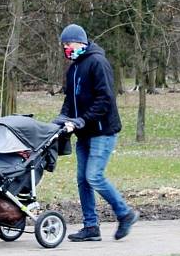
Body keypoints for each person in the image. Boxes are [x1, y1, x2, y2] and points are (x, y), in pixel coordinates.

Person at [55, 23, 139, 241]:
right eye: (63, 45)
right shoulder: (73, 69)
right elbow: (69, 100)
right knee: (83, 180)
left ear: (81, 42)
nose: (66, 48)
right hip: (83, 133)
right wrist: (62, 119)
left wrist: (82, 120)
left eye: (68, 43)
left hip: (102, 131)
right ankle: (91, 227)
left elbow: (105, 100)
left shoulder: (97, 62)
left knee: (94, 176)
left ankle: (125, 213)